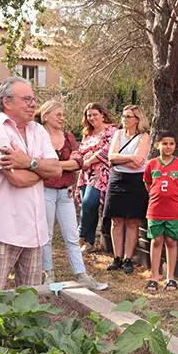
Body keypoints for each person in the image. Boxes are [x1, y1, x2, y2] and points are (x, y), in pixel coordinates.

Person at [0, 77, 62, 290]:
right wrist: (42, 170)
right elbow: (18, 179)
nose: (33, 104)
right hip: (4, 230)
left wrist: (28, 162)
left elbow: (57, 170)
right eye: (26, 99)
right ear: (7, 102)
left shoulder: (38, 131)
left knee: (29, 302)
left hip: (35, 231)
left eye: (33, 99)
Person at [35, 100, 108, 290]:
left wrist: (48, 165)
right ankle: (48, 274)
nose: (62, 118)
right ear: (46, 117)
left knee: (72, 235)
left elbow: (78, 163)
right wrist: (60, 165)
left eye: (62, 114)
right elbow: (35, 164)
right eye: (58, 114)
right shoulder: (37, 137)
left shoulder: (68, 137)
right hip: (45, 190)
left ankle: (81, 274)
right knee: (47, 235)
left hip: (65, 191)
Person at [143, 130, 178, 292]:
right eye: (165, 143)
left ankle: (170, 278)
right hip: (155, 210)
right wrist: (156, 195)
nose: (168, 147)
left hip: (174, 210)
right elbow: (148, 183)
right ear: (158, 145)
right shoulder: (152, 164)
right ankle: (154, 277)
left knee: (171, 241)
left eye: (171, 143)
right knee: (156, 241)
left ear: (175, 145)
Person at [105, 105, 151, 274]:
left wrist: (121, 159)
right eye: (123, 115)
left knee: (132, 221)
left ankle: (128, 259)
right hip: (117, 179)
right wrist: (130, 158)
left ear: (137, 119)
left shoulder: (144, 137)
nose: (124, 119)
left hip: (136, 181)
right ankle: (116, 257)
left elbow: (139, 162)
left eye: (129, 116)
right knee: (116, 220)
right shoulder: (118, 134)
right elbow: (111, 157)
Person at [76, 103, 117, 253]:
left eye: (94, 114)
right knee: (89, 208)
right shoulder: (88, 133)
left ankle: (80, 233)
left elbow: (108, 150)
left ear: (102, 114)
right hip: (86, 174)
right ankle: (89, 241)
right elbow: (80, 150)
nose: (91, 118)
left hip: (101, 174)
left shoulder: (111, 130)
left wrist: (89, 161)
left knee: (89, 202)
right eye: (89, 115)